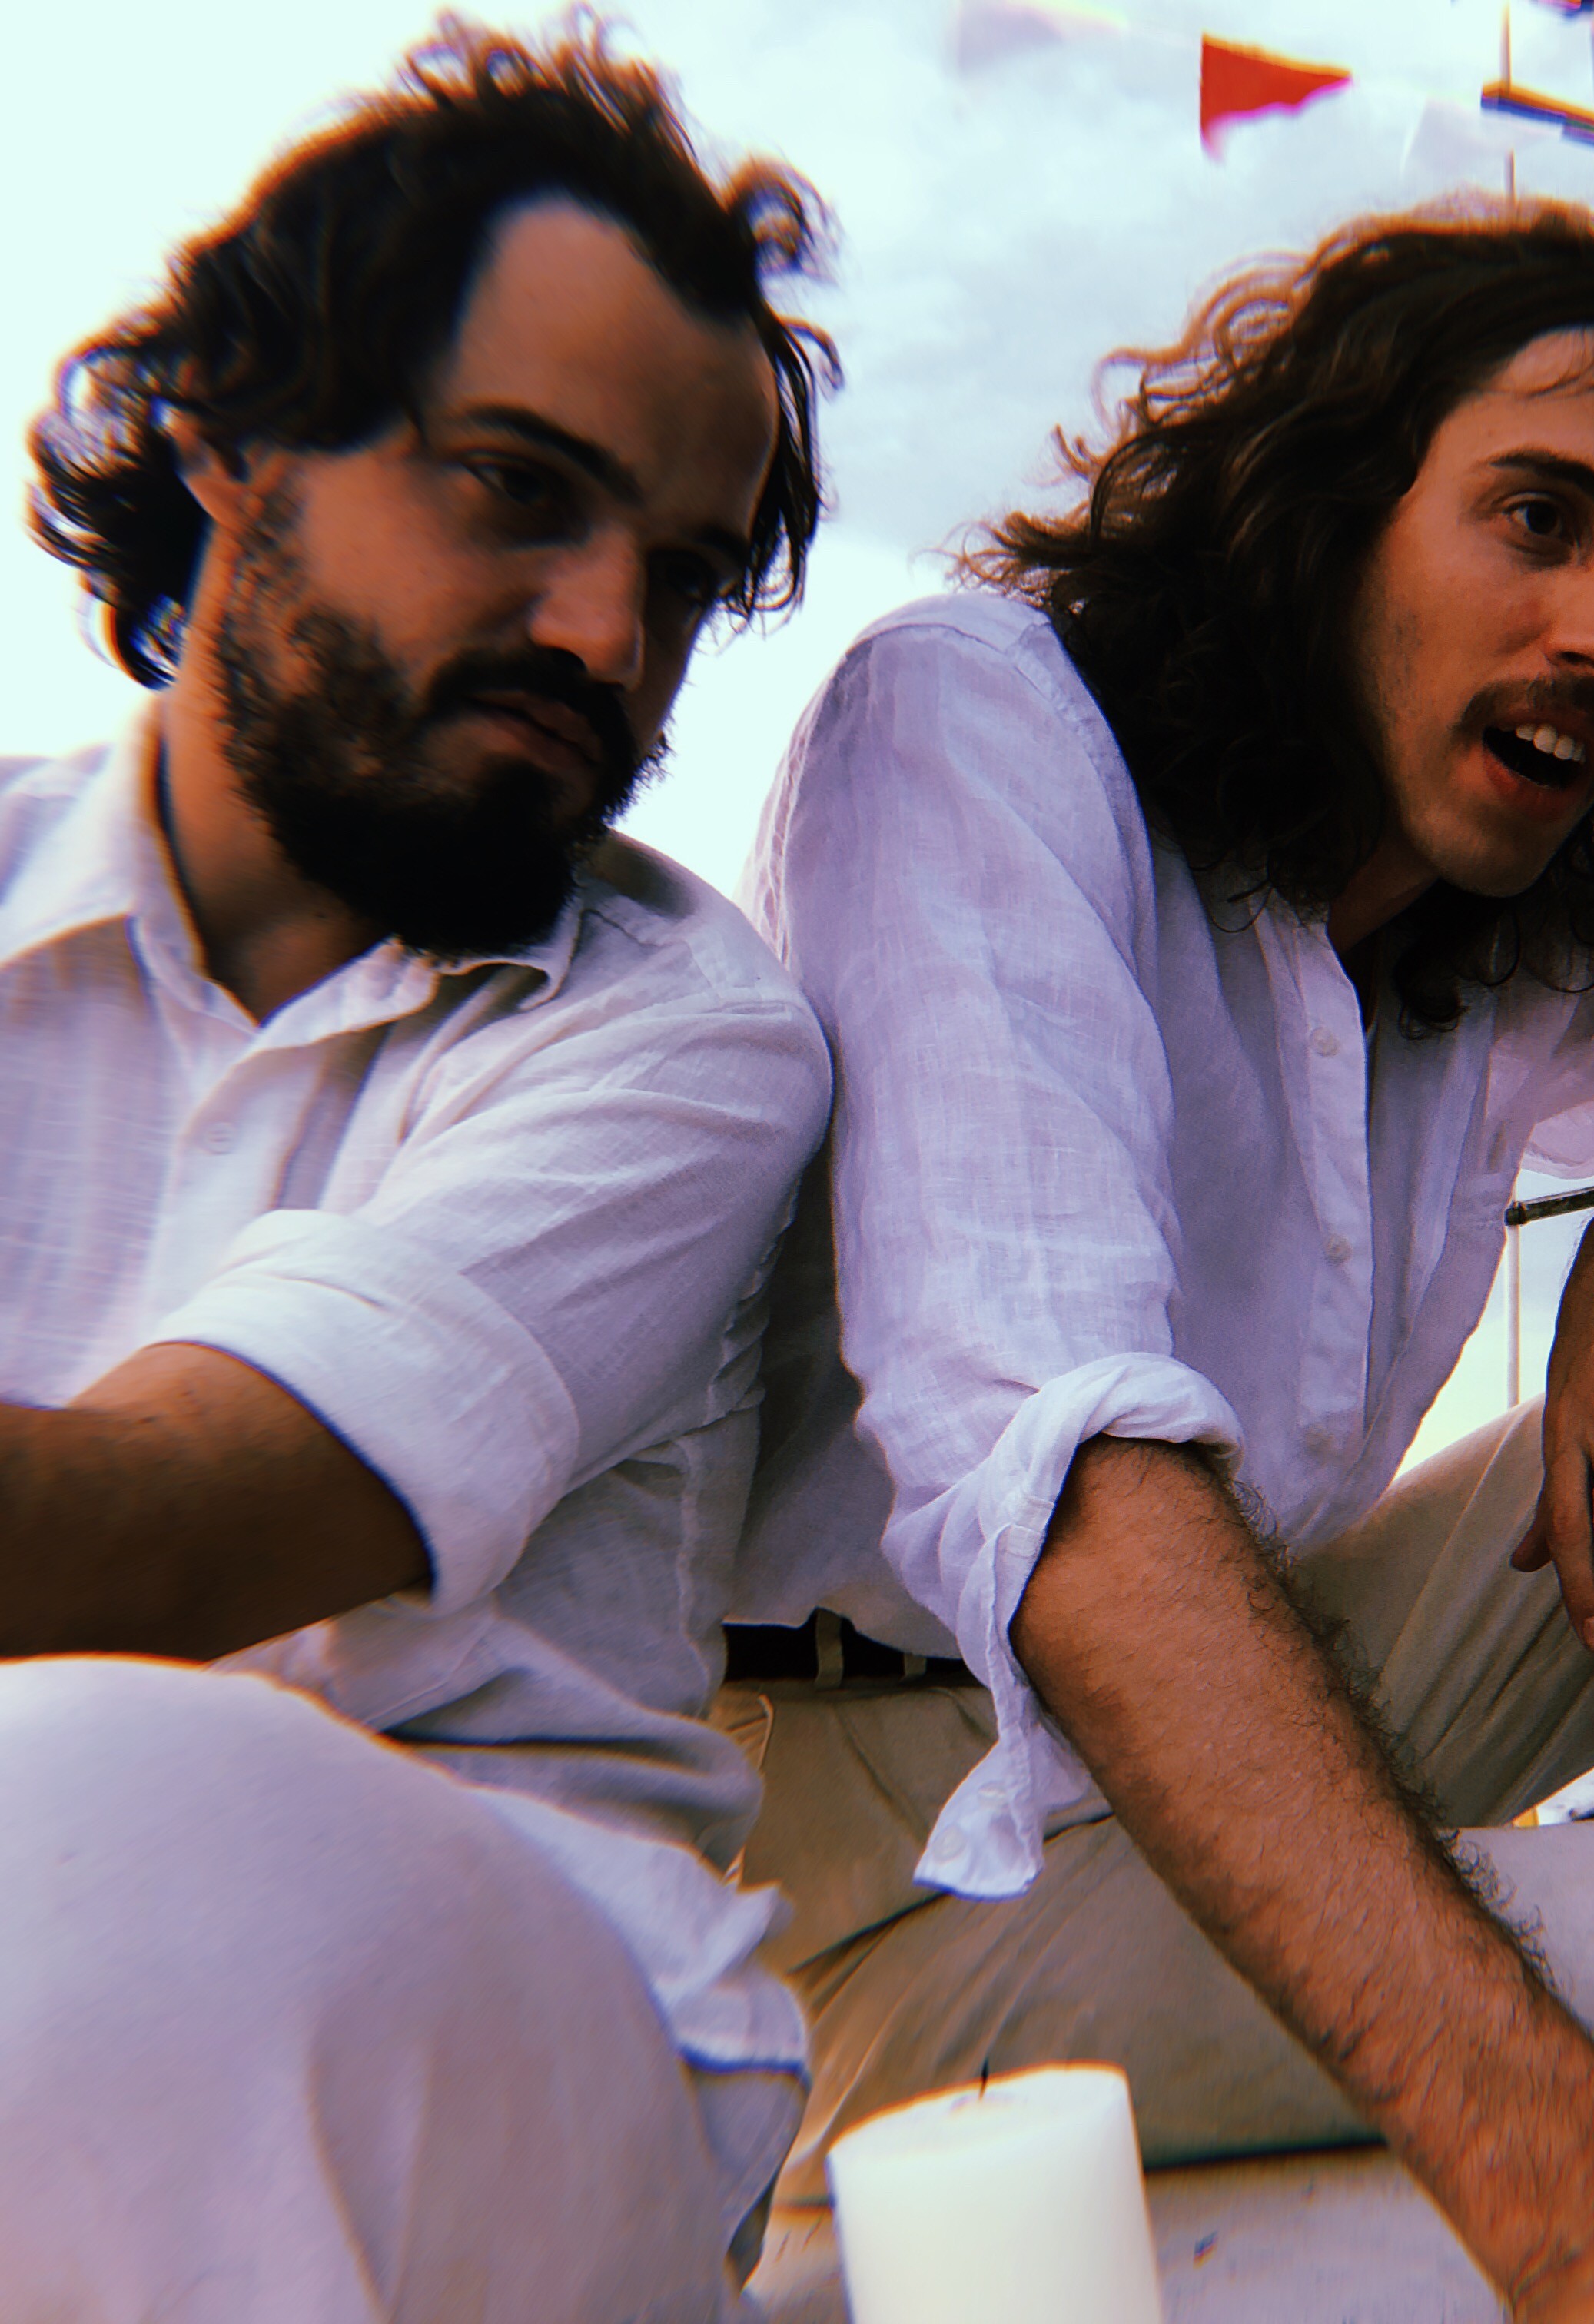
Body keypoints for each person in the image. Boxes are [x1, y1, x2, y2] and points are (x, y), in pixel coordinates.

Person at [732, 204, 1594, 2321]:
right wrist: (1581, 2218)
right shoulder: (982, 727)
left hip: (1235, 1696)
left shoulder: (1513, 938)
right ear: (1332, 515)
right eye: (1538, 519)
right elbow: (1069, 1495)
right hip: (891, 1862)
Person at [2, 23, 838, 2317]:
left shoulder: (676, 1031)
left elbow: (163, 1537)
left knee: (105, 1794)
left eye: (680, 575)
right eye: (514, 488)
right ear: (230, 436)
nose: (605, 638)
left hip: (524, 2073)